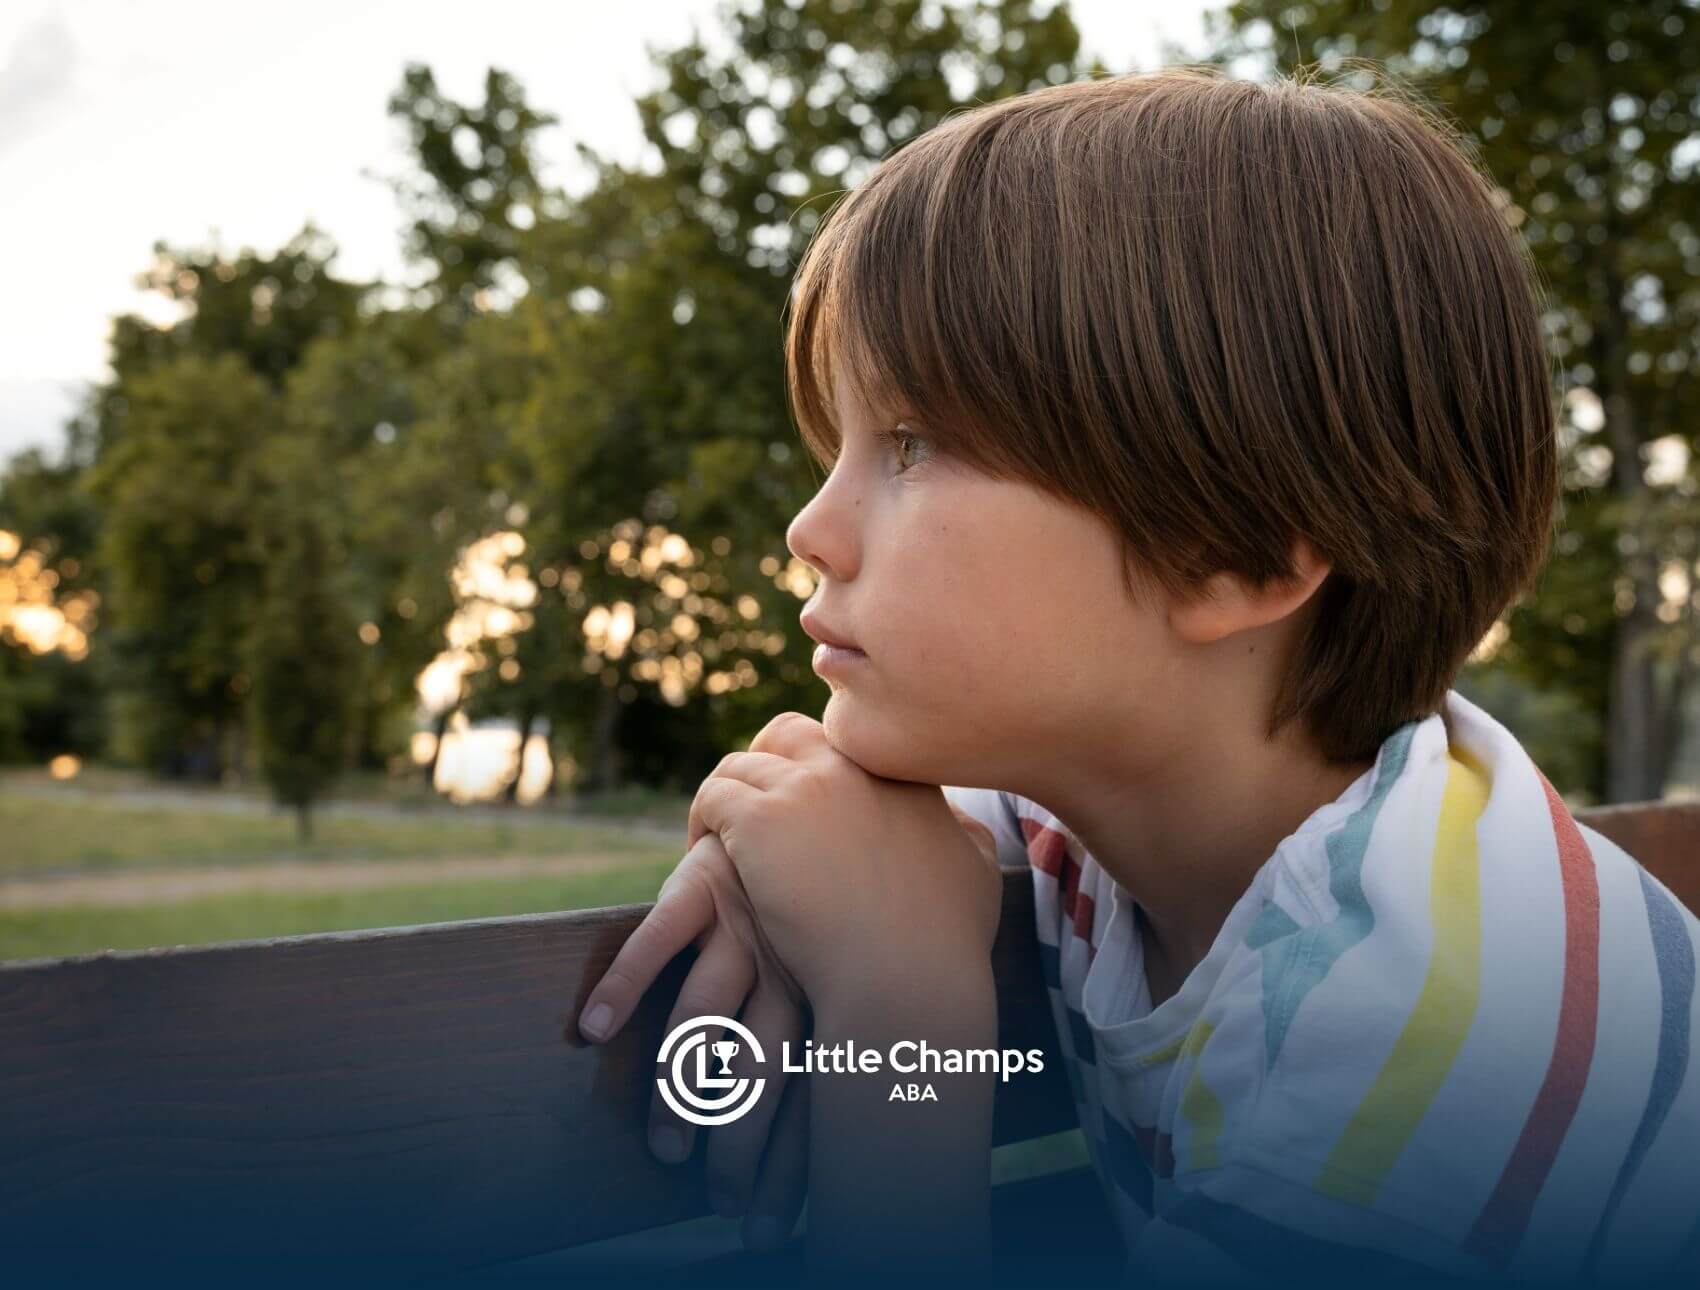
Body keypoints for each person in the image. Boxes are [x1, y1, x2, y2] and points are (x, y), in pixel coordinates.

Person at [575, 65, 1700, 1286]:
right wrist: (794, 828)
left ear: (1231, 555)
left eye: (908, 444)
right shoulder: (1139, 792)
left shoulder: (1428, 1065)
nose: (808, 526)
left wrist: (902, 1019)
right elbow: (876, 828)